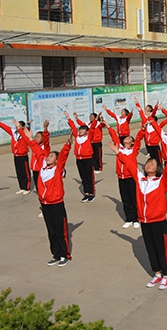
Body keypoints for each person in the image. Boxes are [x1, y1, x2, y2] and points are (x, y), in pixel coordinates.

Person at [108, 139, 167, 290]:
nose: (148, 165)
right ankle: (157, 274)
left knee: (161, 248)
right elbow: (131, 165)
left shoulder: (161, 181)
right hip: (144, 221)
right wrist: (118, 153)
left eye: (152, 163)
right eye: (147, 163)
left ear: (157, 168)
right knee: (150, 248)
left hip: (158, 221)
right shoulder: (140, 180)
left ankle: (166, 275)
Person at [20, 128, 73, 267]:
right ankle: (55, 254)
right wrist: (23, 132)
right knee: (51, 231)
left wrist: (67, 145)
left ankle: (64, 255)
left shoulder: (57, 169)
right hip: (45, 204)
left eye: (51, 156)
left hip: (56, 204)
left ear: (56, 160)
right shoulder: (43, 166)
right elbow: (33, 146)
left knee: (61, 230)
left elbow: (63, 157)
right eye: (48, 155)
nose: (48, 157)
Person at [104, 119, 146, 229]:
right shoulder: (119, 148)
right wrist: (107, 125)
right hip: (121, 177)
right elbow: (114, 135)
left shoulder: (134, 150)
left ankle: (136, 218)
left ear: (132, 142)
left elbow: (139, 139)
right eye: (126, 138)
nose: (126, 139)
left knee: (133, 198)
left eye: (128, 138)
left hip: (131, 177)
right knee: (125, 198)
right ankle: (129, 218)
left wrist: (142, 129)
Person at [65, 112, 97, 202]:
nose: (80, 131)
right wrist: (68, 117)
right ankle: (86, 193)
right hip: (79, 160)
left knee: (89, 177)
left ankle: (91, 193)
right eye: (80, 129)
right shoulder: (77, 137)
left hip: (88, 159)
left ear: (86, 131)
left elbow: (93, 128)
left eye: (83, 129)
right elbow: (73, 127)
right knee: (83, 177)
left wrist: (95, 120)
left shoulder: (88, 136)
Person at [0, 119, 31, 194]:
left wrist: (28, 125)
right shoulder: (13, 132)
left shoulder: (25, 133)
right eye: (17, 126)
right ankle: (22, 187)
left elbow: (28, 130)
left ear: (23, 127)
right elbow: (4, 127)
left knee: (25, 172)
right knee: (19, 172)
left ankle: (27, 188)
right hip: (16, 156)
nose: (17, 127)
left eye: (19, 126)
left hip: (23, 156)